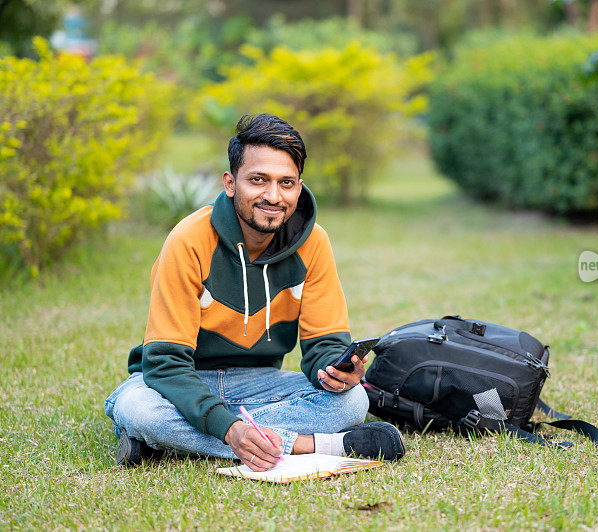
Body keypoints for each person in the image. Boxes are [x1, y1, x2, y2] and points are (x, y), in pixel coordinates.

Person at [104, 113, 405, 469]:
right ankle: (318, 445)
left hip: (258, 383)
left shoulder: (314, 243)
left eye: (286, 183)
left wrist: (336, 371)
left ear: (299, 185)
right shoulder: (189, 240)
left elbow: (325, 343)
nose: (273, 196)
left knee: (354, 402)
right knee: (142, 412)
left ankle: (173, 443)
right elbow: (165, 364)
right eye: (258, 180)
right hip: (179, 380)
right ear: (231, 183)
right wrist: (228, 428)